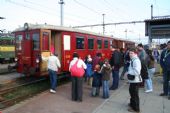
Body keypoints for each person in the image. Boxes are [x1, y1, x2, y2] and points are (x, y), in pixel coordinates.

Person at [126, 47, 142, 113]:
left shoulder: (136, 60)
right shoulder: (133, 59)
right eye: (129, 53)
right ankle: (132, 104)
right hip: (133, 80)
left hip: (135, 80)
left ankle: (136, 109)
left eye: (131, 53)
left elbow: (137, 71)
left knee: (135, 94)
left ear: (135, 53)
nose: (130, 54)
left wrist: (129, 72)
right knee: (131, 92)